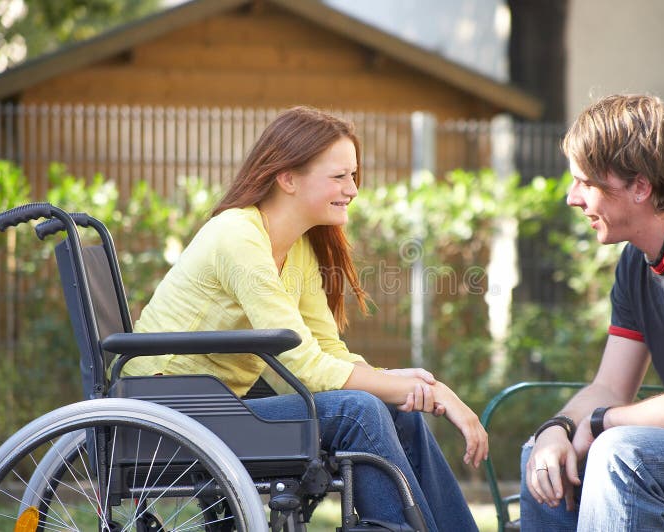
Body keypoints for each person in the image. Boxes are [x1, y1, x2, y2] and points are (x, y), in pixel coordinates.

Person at [123, 105, 487, 530]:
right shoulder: (238, 237)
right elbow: (308, 369)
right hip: (170, 412)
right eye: (339, 176)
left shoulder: (297, 247)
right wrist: (424, 389)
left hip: (222, 406)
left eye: (354, 176)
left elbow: (326, 350)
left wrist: (401, 381)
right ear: (288, 177)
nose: (352, 189)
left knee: (395, 409)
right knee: (358, 411)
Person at [519, 93, 664, 531]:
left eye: (585, 183)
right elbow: (609, 385)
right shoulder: (637, 261)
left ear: (640, 186)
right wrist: (558, 428)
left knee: (619, 453)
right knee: (544, 456)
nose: (572, 198)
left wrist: (603, 422)